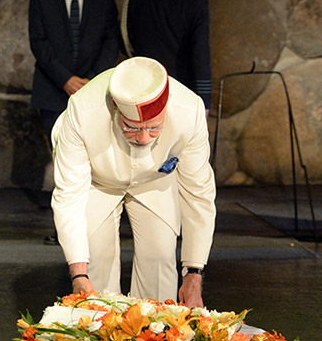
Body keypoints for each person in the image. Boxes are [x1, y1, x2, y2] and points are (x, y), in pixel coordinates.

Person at [51, 57, 215, 308]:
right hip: (97, 179)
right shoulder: (82, 110)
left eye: (154, 127)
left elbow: (198, 194)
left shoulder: (189, 111)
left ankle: (155, 340)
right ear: (116, 109)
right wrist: (79, 274)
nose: (143, 137)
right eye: (131, 127)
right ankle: (101, 340)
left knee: (159, 257)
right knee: (97, 262)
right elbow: (69, 194)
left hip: (154, 179)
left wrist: (194, 274)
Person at [29, 0, 121, 244]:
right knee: (65, 164)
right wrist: (65, 79)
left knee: (96, 160)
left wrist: (93, 82)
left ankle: (96, 227)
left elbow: (111, 40)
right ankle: (66, 231)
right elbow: (38, 42)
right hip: (55, 90)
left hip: (95, 90)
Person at [122, 0, 211, 112]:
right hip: (181, 93)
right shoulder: (196, 1)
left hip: (141, 91)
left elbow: (127, 41)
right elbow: (200, 54)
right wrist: (204, 102)